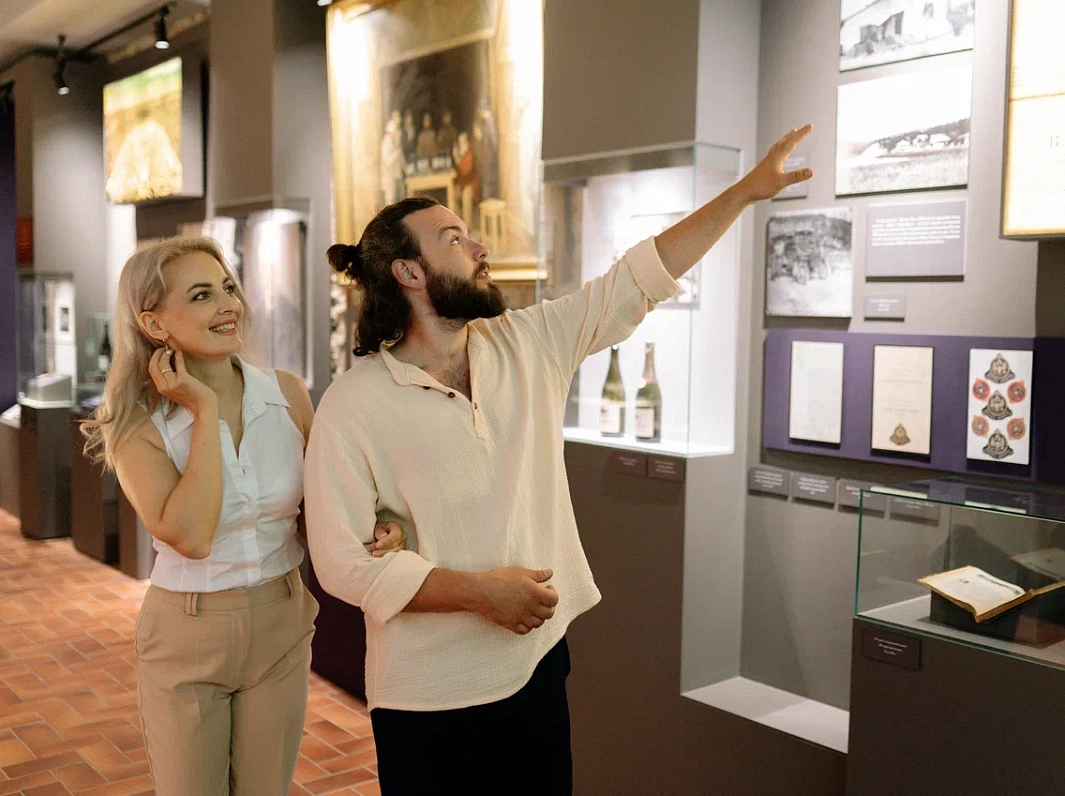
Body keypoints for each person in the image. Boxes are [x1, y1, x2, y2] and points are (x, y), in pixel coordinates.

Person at [303, 126, 814, 795]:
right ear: (409, 273)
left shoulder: (528, 343)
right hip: (427, 695)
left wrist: (744, 193)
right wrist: (481, 593)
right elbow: (340, 562)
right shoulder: (353, 403)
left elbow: (639, 278)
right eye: (454, 239)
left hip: (537, 666)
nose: (479, 249)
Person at [79, 237, 407, 796]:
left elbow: (317, 514)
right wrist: (203, 409)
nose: (227, 304)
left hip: (280, 622)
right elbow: (190, 536)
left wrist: (375, 527)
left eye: (227, 287)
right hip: (187, 632)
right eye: (201, 295)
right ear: (154, 324)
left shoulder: (286, 394)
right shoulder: (136, 422)